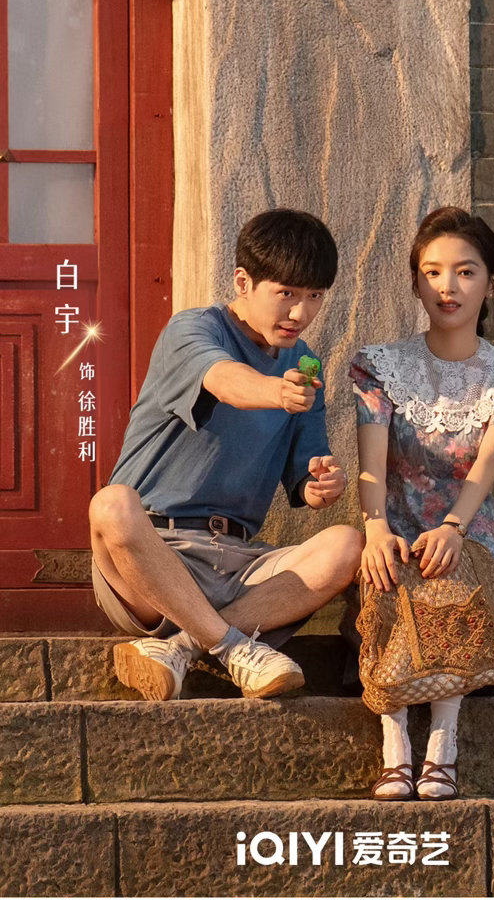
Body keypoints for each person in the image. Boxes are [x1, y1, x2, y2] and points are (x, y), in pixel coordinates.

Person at [90, 208, 362, 702]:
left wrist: (321, 484)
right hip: (152, 556)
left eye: (314, 296)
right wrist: (276, 391)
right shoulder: (193, 330)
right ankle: (235, 647)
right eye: (286, 293)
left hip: (237, 565)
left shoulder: (305, 365)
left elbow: (306, 474)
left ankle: (182, 648)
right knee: (111, 504)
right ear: (243, 281)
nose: (300, 313)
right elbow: (223, 380)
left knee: (346, 545)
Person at [349, 207, 494, 800]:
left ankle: (442, 745)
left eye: (465, 271)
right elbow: (370, 463)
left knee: (446, 568)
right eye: (432, 272)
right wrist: (375, 529)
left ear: (493, 283)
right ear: (415, 283)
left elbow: (484, 469)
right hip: (394, 529)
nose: (447, 286)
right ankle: (395, 749)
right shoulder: (377, 366)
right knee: (390, 568)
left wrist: (454, 528)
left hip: (469, 537)